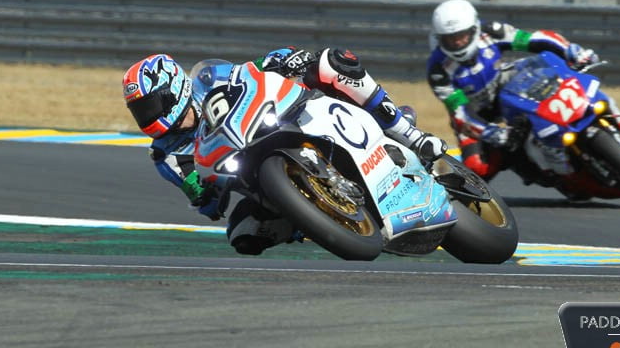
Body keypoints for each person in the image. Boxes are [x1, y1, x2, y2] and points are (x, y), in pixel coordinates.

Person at [123, 48, 448, 256]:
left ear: (172, 89)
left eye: (150, 105)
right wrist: (205, 192)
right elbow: (203, 199)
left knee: (331, 62)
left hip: (279, 121)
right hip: (251, 172)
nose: (147, 117)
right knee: (243, 236)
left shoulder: (209, 79)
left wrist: (283, 59)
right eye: (140, 111)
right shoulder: (165, 155)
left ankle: (407, 133)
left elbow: (252, 70)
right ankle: (317, 218)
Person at [426, 0, 620, 181]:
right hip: (476, 112)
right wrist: (491, 133)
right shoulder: (438, 71)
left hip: (505, 86)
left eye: (461, 36)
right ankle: (525, 165)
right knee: (477, 168)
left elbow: (537, 39)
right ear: (439, 39)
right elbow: (460, 112)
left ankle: (608, 132)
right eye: (450, 38)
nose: (457, 42)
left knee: (550, 76)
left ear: (474, 29)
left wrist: (570, 50)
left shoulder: (492, 33)